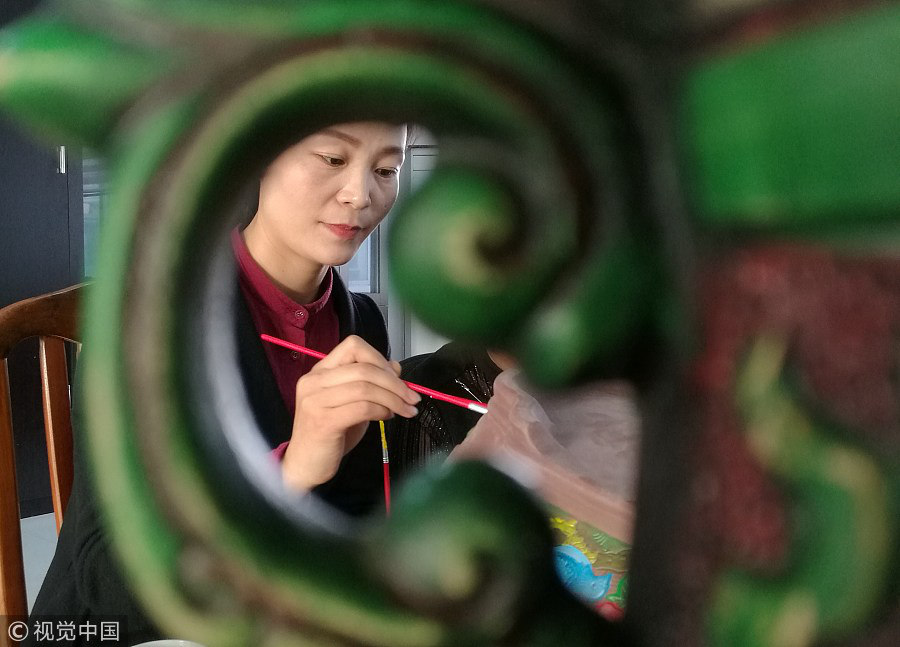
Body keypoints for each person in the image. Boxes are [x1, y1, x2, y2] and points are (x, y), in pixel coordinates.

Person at [27, 121, 419, 645]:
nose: (360, 194)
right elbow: (107, 585)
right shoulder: (148, 328)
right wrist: (289, 470)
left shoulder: (362, 323)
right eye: (331, 158)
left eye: (386, 169)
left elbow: (355, 513)